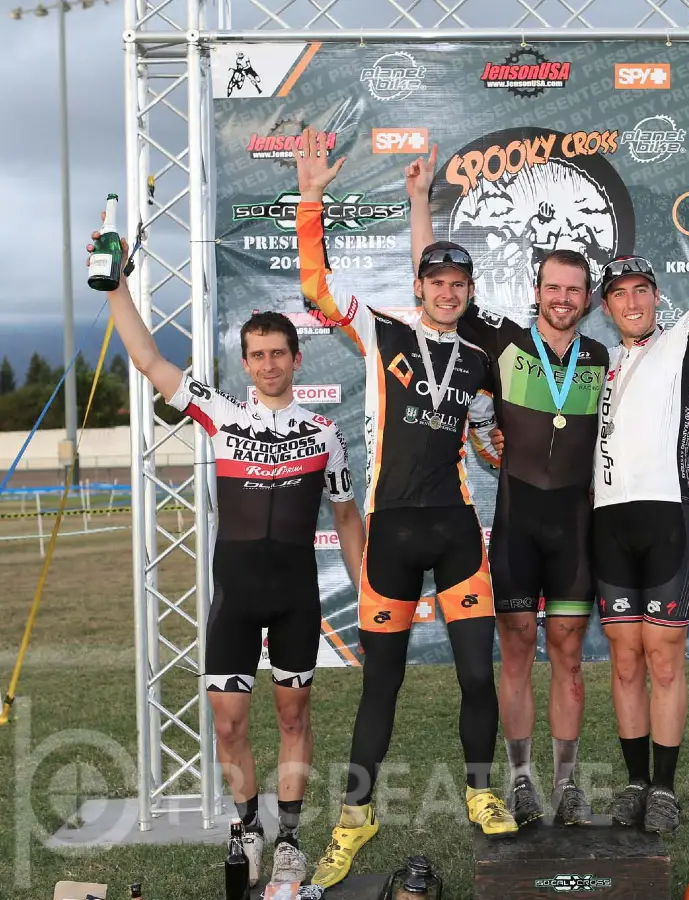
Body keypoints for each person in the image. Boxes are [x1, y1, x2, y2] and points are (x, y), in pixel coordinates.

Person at [86, 221, 366, 886]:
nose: (269, 363)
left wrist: (370, 596)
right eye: (258, 354)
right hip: (233, 600)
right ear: (245, 363)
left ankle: (292, 837)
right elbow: (151, 360)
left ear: (297, 360)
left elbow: (349, 519)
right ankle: (247, 823)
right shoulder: (220, 414)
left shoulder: (325, 434)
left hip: (297, 596)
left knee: (294, 713)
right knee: (228, 723)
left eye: (279, 353)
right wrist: (117, 288)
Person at [290, 129, 517, 890]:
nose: (448, 291)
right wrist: (313, 197)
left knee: (476, 677)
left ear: (468, 291)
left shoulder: (482, 360)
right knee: (379, 684)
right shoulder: (380, 329)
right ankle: (355, 817)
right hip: (389, 533)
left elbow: (487, 444)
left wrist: (523, 456)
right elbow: (316, 287)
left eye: (459, 283)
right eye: (437, 281)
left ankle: (484, 791)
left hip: (456, 532)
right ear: (419, 288)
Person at [408, 146, 611, 827]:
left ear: (587, 299)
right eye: (552, 288)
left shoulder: (603, 357)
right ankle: (521, 780)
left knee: (572, 658)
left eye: (574, 290)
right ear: (537, 292)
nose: (562, 299)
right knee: (518, 646)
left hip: (576, 527)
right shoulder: (500, 340)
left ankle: (570, 784)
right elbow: (433, 291)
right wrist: (418, 206)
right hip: (520, 520)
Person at [589, 121, 689, 834]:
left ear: (655, 296)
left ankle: (664, 787)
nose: (632, 301)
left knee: (664, 657)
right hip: (606, 524)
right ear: (605, 306)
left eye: (641, 290)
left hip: (666, 518)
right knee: (623, 660)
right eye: (618, 293)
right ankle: (630, 783)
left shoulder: (683, 339)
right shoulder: (591, 365)